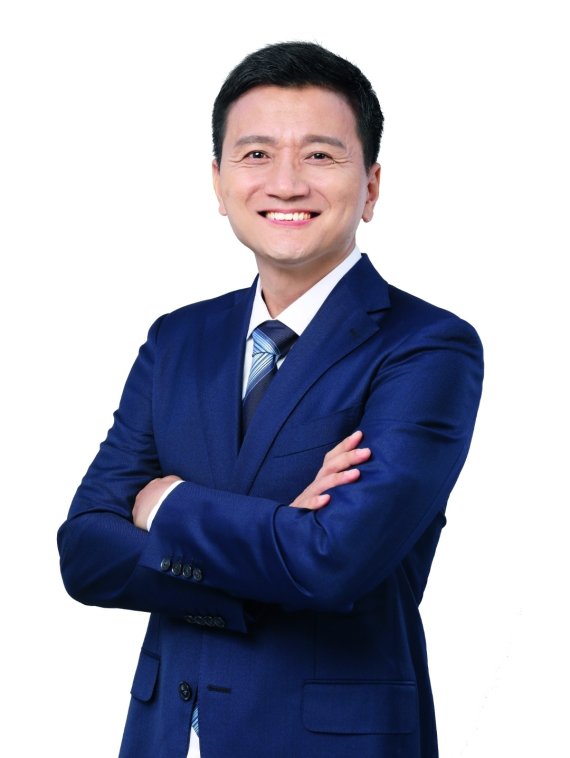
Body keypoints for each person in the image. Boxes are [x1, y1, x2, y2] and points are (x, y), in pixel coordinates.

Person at [58, 41, 483, 758]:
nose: (285, 183)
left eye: (320, 155)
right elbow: (85, 553)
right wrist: (281, 532)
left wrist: (167, 504)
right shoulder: (177, 339)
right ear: (219, 182)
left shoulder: (427, 347)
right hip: (165, 734)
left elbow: (334, 562)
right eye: (256, 154)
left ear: (371, 186)